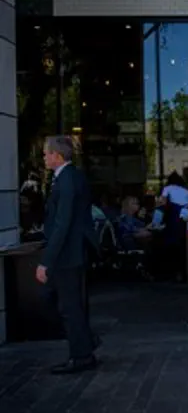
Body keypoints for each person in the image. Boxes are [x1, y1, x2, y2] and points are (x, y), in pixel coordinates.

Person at [37, 136, 100, 374]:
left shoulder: (67, 180)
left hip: (68, 253)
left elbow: (62, 223)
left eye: (46, 153)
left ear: (57, 155)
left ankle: (81, 354)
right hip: (71, 251)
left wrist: (46, 261)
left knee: (68, 305)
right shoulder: (70, 177)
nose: (44, 157)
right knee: (64, 301)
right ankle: (85, 342)